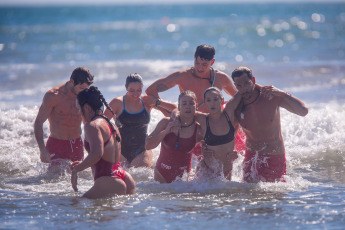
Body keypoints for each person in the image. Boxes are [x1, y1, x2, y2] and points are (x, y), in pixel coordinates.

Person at [231, 66, 308, 183]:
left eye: (247, 84)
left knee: (275, 196)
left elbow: (303, 111)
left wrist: (283, 94)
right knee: (247, 196)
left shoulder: (271, 96)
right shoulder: (237, 105)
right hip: (251, 158)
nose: (244, 89)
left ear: (253, 80)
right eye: (239, 86)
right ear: (235, 86)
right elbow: (231, 133)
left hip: (274, 157)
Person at [71, 86, 135, 199]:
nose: (77, 113)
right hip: (124, 177)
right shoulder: (111, 124)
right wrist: (83, 163)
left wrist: (76, 170)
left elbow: (97, 154)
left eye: (78, 109)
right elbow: (107, 155)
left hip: (109, 180)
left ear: (86, 107)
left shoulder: (92, 125)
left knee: (75, 206)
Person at [103, 73, 177, 168]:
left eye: (139, 90)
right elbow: (101, 123)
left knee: (140, 177)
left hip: (142, 148)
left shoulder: (147, 101)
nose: (135, 94)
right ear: (126, 88)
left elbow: (174, 110)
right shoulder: (117, 103)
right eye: (132, 90)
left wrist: (158, 102)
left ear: (142, 88)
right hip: (120, 149)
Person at [145, 44, 237, 113]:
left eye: (204, 64)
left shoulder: (221, 78)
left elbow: (239, 98)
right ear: (194, 58)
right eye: (197, 63)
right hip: (190, 124)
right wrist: (166, 111)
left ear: (212, 62)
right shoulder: (182, 76)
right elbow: (150, 90)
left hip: (212, 124)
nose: (200, 68)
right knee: (143, 99)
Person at [34, 67, 94, 167]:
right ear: (72, 81)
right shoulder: (53, 96)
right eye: (81, 88)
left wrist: (93, 148)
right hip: (56, 145)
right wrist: (42, 150)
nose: (83, 92)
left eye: (86, 89)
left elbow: (89, 123)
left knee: (80, 178)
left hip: (77, 144)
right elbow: (38, 122)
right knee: (52, 180)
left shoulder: (85, 96)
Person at [146, 91, 203, 183]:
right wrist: (166, 131)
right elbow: (148, 145)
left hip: (185, 177)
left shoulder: (199, 129)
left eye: (191, 103)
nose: (188, 106)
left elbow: (210, 149)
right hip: (161, 174)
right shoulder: (166, 123)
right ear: (179, 106)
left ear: (196, 106)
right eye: (184, 104)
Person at [195, 87, 241, 181]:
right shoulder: (203, 119)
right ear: (204, 102)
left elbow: (242, 91)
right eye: (208, 100)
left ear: (222, 100)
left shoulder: (229, 113)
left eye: (216, 99)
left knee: (226, 193)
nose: (212, 103)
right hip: (207, 169)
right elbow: (181, 112)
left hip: (227, 169)